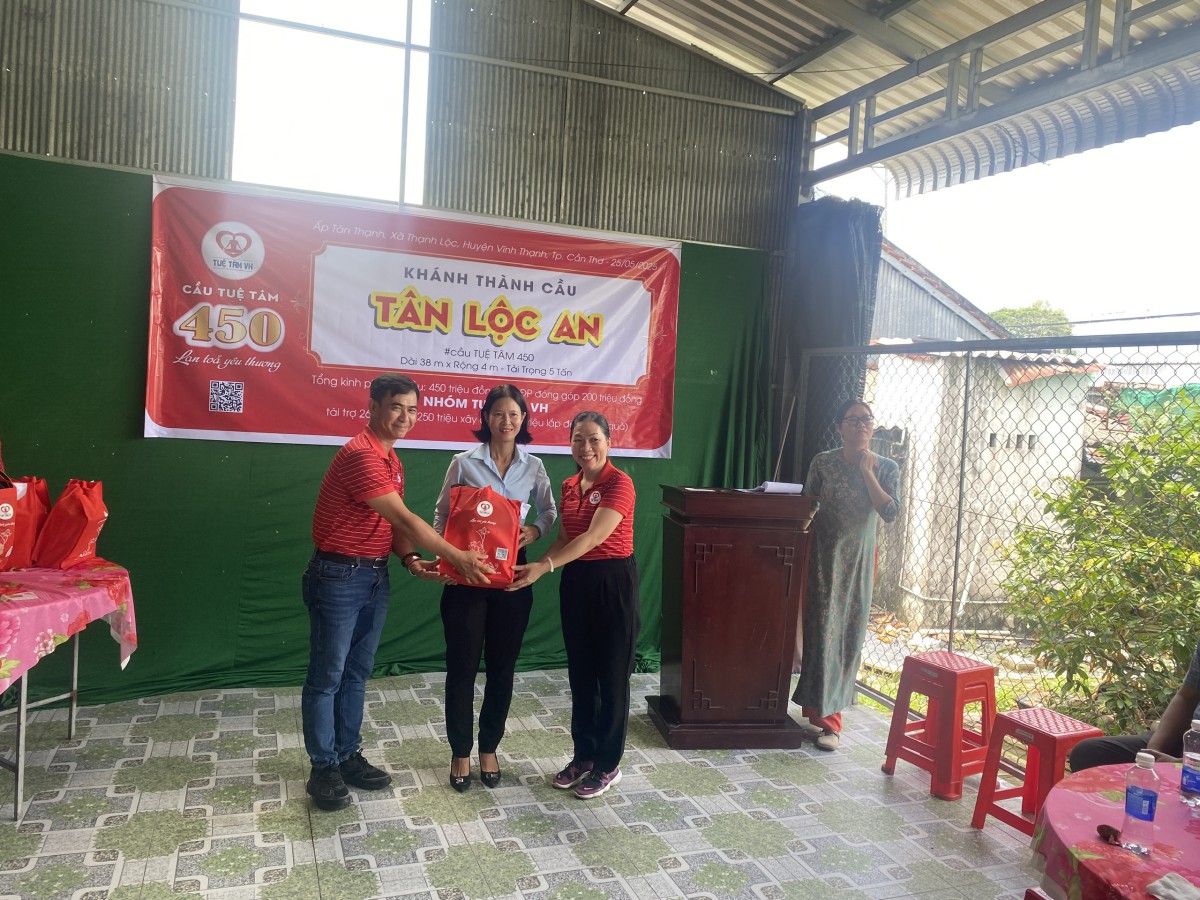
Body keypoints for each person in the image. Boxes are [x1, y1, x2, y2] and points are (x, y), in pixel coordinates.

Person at [303, 373, 491, 812]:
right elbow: (406, 519)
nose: (405, 417)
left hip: (373, 575)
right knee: (328, 676)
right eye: (396, 407)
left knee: (355, 673)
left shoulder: (391, 459)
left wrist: (411, 560)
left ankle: (347, 755)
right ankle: (323, 768)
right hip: (338, 576)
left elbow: (394, 526)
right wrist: (457, 557)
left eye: (412, 409)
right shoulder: (361, 455)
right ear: (373, 407)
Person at [430, 384, 557, 792]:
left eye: (514, 415)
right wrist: (447, 560)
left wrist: (535, 530)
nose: (506, 421)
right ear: (486, 417)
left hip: (512, 579)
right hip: (466, 577)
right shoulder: (463, 462)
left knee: (502, 668)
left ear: (524, 420)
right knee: (462, 668)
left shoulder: (533, 466)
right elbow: (442, 514)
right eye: (499, 414)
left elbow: (549, 510)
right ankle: (460, 751)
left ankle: (489, 748)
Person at [508, 411, 638, 799]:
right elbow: (566, 537)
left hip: (613, 582)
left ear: (609, 442)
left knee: (611, 676)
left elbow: (594, 537)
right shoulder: (568, 485)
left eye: (594, 439)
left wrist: (544, 567)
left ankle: (608, 765)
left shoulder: (620, 483)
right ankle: (584, 757)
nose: (586, 447)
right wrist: (536, 566)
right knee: (581, 676)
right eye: (578, 439)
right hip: (576, 582)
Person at [792, 399, 900, 751]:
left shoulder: (885, 467)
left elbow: (890, 512)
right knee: (821, 633)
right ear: (840, 427)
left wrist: (868, 472)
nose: (860, 425)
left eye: (866, 419)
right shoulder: (823, 462)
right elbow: (808, 503)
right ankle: (821, 716)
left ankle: (832, 721)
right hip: (822, 557)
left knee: (847, 636)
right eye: (852, 420)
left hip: (859, 563)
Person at [1069, 636, 1200, 771]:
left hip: (1193, 764)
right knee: (1087, 754)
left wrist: (1182, 765)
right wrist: (1152, 753)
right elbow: (1186, 697)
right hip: (1188, 743)